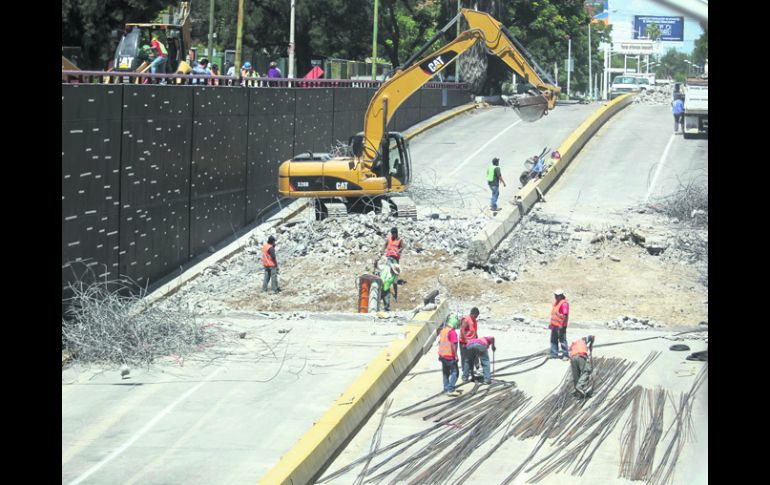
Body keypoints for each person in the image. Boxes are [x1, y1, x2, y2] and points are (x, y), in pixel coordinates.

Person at [438, 315, 462, 396]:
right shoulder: (452, 332)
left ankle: (446, 388)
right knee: (455, 372)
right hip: (449, 356)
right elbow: (453, 344)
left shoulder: (443, 331)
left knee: (445, 372)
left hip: (442, 355)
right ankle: (450, 389)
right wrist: (456, 355)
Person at [460, 307, 480, 382]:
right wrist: (465, 341)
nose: (476, 317)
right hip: (465, 342)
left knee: (472, 358)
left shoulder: (474, 320)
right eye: (475, 316)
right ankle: (465, 375)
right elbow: (462, 331)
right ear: (472, 314)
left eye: (477, 316)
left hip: (472, 341)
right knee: (468, 360)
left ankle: (471, 374)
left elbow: (474, 330)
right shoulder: (466, 320)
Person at [549, 289, 569, 360]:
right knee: (553, 340)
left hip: (561, 326)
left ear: (561, 296)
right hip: (554, 325)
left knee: (562, 340)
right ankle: (554, 354)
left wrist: (561, 325)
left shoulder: (564, 304)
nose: (555, 297)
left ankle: (565, 355)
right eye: (555, 295)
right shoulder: (557, 302)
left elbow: (565, 315)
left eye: (557, 296)